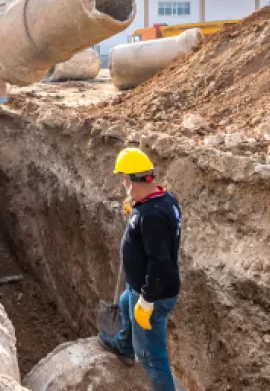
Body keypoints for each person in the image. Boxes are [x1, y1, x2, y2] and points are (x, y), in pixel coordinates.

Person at [99, 147, 182, 391]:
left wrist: (146, 300)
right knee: (125, 302)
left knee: (151, 354)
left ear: (128, 180)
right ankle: (125, 345)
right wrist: (136, 211)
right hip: (140, 285)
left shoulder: (152, 216)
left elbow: (160, 262)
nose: (122, 184)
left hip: (154, 292)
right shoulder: (163, 199)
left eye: (123, 179)